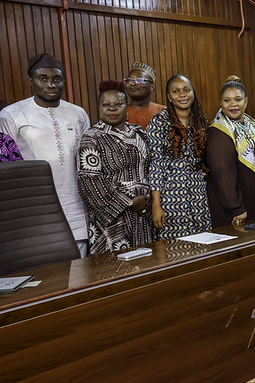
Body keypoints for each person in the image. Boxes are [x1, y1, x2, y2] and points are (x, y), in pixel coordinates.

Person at [0, 53, 90, 255]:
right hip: (35, 207)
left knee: (81, 271)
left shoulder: (78, 113)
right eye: (43, 79)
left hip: (76, 204)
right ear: (31, 81)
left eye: (57, 79)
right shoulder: (11, 114)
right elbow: (8, 166)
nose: (51, 84)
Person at [77, 80, 154, 254]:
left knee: (148, 266)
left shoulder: (139, 132)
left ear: (127, 106)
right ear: (99, 107)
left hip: (145, 215)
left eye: (118, 104)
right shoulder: (92, 137)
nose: (112, 108)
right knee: (119, 269)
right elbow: (89, 182)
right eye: (106, 104)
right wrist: (130, 202)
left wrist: (151, 199)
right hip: (114, 219)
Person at [206, 76, 255, 227]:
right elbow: (222, 173)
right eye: (227, 100)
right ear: (220, 103)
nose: (233, 104)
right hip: (235, 209)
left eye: (238, 99)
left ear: (246, 101)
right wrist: (237, 208)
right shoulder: (218, 131)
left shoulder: (252, 125)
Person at [147, 74, 211, 239]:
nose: (182, 95)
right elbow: (156, 164)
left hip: (198, 194)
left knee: (203, 245)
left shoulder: (201, 120)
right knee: (174, 250)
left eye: (186, 90)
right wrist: (156, 205)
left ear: (193, 92)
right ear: (169, 96)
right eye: (176, 91)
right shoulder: (159, 122)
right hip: (170, 197)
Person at [123, 62, 165, 128]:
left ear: (152, 87)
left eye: (140, 80)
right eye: (130, 80)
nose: (133, 83)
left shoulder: (164, 112)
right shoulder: (121, 113)